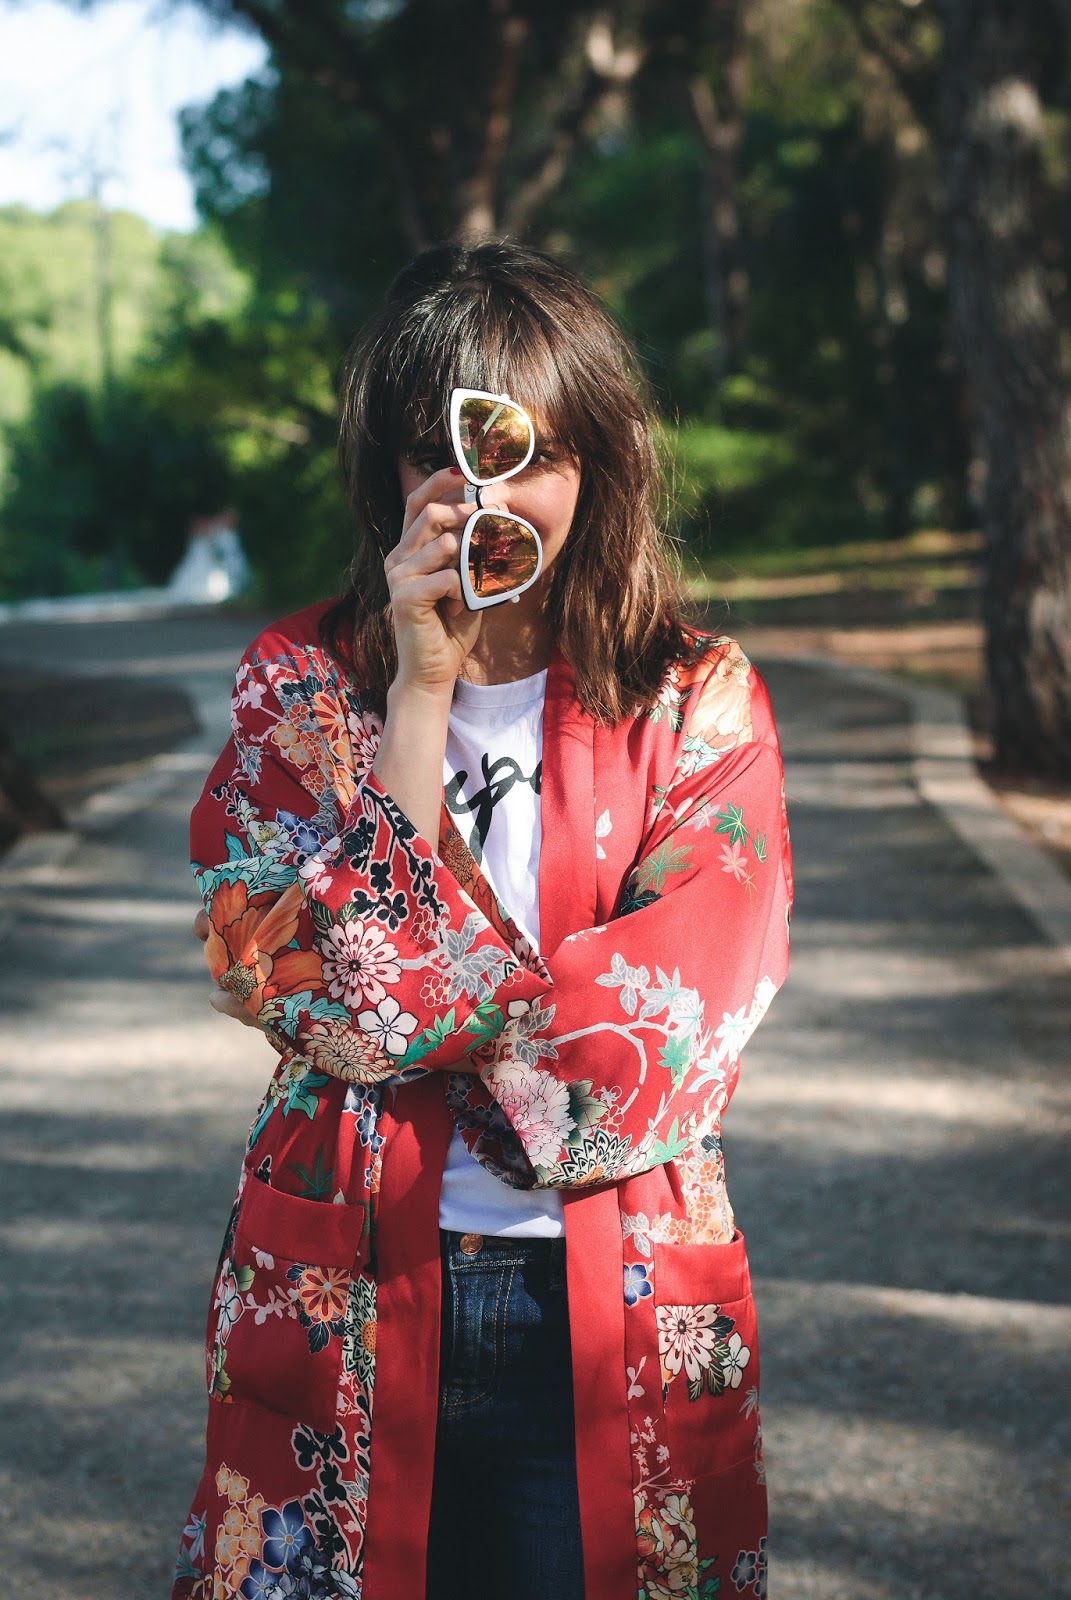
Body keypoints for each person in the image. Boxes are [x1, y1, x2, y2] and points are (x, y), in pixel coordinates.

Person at [173, 242, 793, 1600]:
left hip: (615, 1296)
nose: (487, 492)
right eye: (447, 450)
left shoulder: (700, 702)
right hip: (342, 1283)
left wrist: (396, 1005)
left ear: (598, 468)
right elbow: (264, 960)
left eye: (534, 452)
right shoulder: (299, 689)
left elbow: (674, 1028)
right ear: (391, 469)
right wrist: (417, 693)